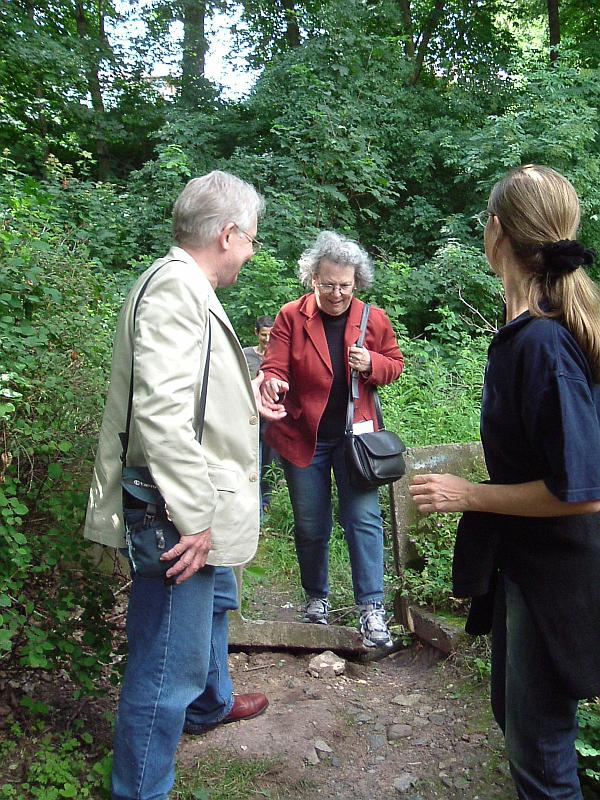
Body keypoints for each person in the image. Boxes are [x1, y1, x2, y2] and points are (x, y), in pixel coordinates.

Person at [84, 170, 286, 800]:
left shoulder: (176, 284)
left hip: (187, 500)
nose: (251, 252)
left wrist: (243, 397)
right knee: (166, 666)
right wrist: (196, 517)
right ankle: (140, 790)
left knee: (203, 622)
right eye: (249, 240)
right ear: (227, 234)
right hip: (177, 512)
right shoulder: (177, 291)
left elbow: (188, 394)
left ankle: (209, 705)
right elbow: (163, 418)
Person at [409, 165, 600, 799]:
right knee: (521, 729)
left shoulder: (544, 343)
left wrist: (470, 495)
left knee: (542, 758)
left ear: (495, 232)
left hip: (560, 577)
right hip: (530, 565)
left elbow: (583, 488)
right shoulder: (531, 331)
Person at [260, 230, 404, 648]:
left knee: (363, 520)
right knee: (311, 524)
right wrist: (272, 383)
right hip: (304, 435)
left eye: (344, 285)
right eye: (328, 285)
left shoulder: (372, 320)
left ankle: (372, 610)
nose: (337, 293)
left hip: (355, 442)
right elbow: (275, 365)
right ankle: (316, 599)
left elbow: (395, 364)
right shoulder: (291, 316)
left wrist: (372, 362)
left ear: (356, 281)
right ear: (313, 280)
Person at [243, 315, 279, 512]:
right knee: (250, 461)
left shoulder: (280, 356)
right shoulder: (245, 355)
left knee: (270, 463)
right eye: (264, 334)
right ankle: (250, 506)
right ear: (257, 333)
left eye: (271, 334)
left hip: (272, 420)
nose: (267, 339)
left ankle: (267, 505)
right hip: (249, 418)